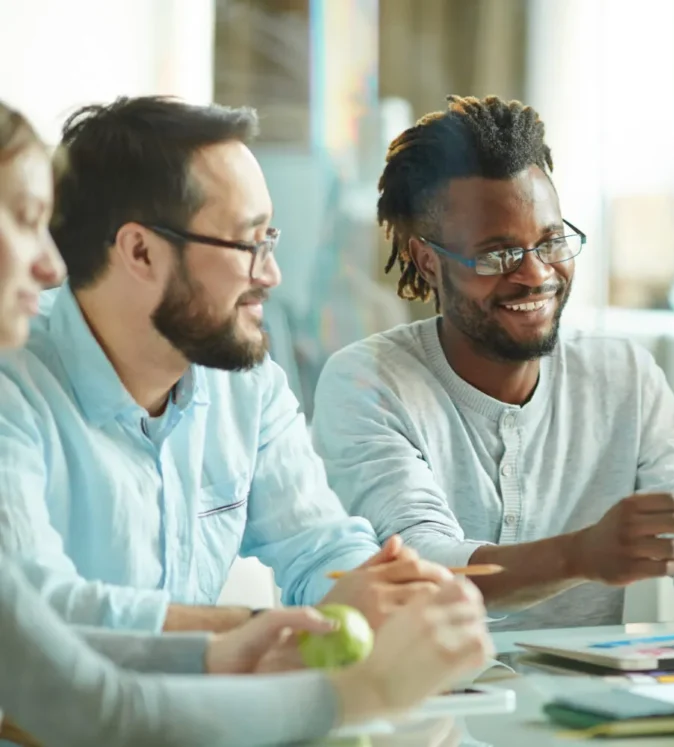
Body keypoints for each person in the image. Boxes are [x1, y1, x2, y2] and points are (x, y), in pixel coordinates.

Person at [0, 98, 493, 747]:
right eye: (248, 242)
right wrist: (278, 624)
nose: (273, 273)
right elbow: (43, 617)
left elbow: (318, 544)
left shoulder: (242, 377)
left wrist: (386, 596)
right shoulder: (15, 380)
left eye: (273, 240)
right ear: (141, 251)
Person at [311, 95, 674, 631]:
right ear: (427, 261)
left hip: (587, 707)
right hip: (422, 699)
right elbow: (421, 564)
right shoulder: (369, 381)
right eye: (497, 254)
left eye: (550, 242)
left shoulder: (623, 378)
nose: (536, 274)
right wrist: (579, 555)